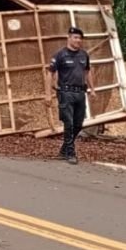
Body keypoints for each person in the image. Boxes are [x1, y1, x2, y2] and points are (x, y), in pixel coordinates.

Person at [47, 26, 95, 165]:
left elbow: (87, 72)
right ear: (69, 38)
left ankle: (64, 149)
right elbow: (49, 73)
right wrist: (48, 94)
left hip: (80, 92)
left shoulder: (84, 55)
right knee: (69, 122)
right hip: (66, 92)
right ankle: (70, 152)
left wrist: (92, 89)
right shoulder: (60, 55)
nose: (78, 40)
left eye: (80, 38)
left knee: (78, 124)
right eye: (75, 37)